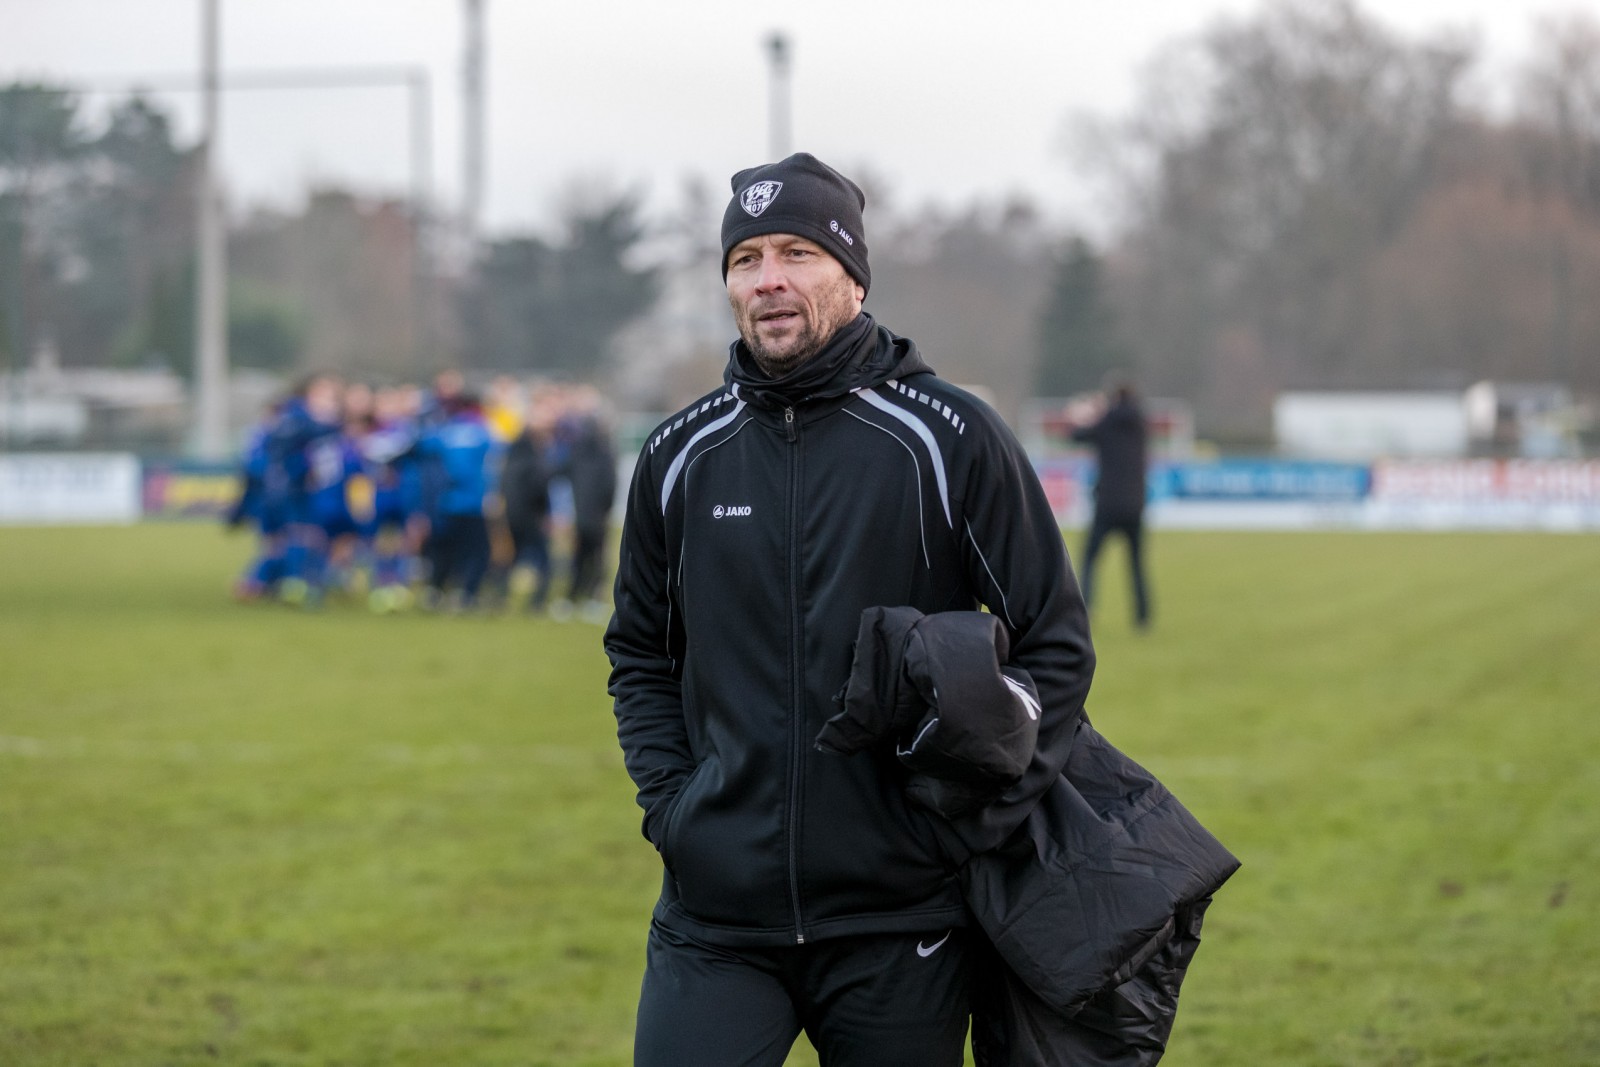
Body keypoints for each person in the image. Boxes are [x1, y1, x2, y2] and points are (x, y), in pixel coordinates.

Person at [604, 153, 1096, 1066]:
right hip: (715, 915)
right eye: (745, 259)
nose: (770, 279)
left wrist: (965, 825)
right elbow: (639, 650)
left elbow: (1055, 648)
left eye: (797, 252)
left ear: (853, 277)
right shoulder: (679, 453)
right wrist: (675, 809)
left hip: (899, 921)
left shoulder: (949, 438)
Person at [1070, 379, 1151, 629]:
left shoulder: (1106, 423)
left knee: (1089, 559)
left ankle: (1087, 609)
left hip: (1107, 503)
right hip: (1135, 504)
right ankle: (1142, 617)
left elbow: (1076, 436)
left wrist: (1090, 412)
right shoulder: (1140, 424)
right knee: (1137, 565)